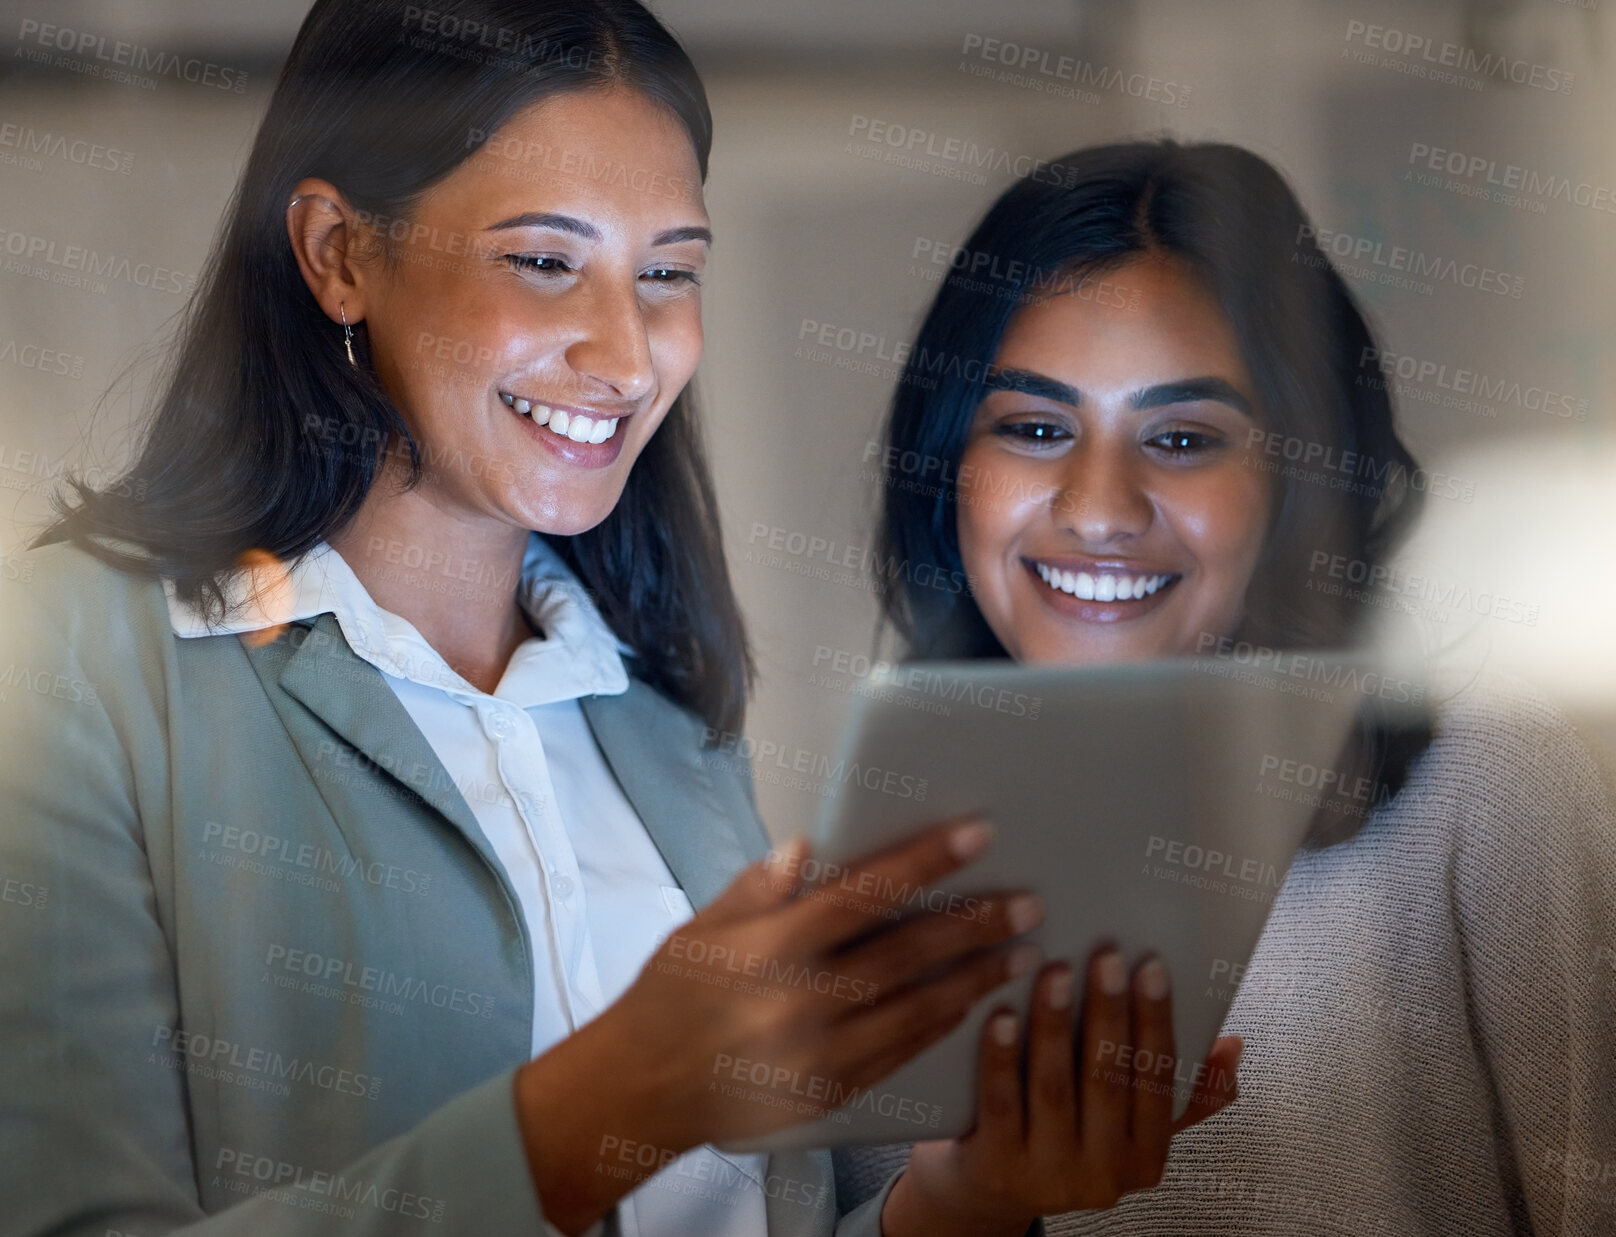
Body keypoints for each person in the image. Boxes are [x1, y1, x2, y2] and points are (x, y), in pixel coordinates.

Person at [0, 8, 1233, 1236]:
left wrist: (968, 1197)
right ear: (337, 253)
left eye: (667, 273)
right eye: (544, 261)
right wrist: (603, 1102)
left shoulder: (656, 702)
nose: (628, 354)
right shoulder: (78, 662)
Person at [837, 139, 1616, 1235]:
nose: (1097, 506)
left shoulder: (1483, 781)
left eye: (1184, 437)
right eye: (1035, 427)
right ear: (948, 462)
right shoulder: (879, 865)